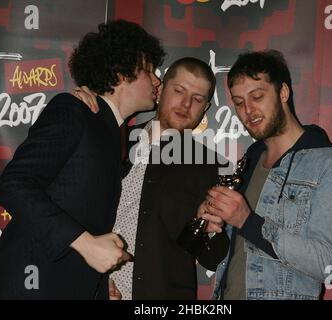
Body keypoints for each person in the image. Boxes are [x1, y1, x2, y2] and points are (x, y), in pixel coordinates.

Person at [0, 20, 166, 299]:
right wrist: (87, 245)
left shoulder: (112, 134)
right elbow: (14, 184)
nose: (157, 80)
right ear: (120, 74)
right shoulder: (74, 111)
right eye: (149, 70)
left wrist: (99, 287)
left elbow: (88, 216)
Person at [200, 49, 332, 300]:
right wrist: (212, 230)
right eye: (239, 103)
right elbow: (225, 260)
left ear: (283, 92)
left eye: (257, 96)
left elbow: (329, 266)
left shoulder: (330, 164)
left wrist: (248, 221)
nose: (248, 110)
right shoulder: (247, 163)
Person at [74, 57, 229, 300]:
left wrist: (207, 231)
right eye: (179, 91)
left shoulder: (208, 166)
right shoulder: (112, 138)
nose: (186, 104)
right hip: (92, 289)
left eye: (197, 99)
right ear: (161, 89)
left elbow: (213, 258)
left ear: (205, 108)